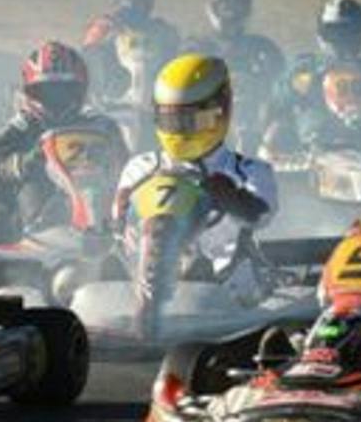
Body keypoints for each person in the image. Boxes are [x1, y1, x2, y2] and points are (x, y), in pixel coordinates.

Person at [115, 53, 277, 293]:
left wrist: (231, 198)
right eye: (173, 121)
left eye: (192, 121)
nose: (181, 130)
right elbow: (119, 222)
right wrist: (122, 209)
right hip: (144, 282)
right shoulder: (140, 168)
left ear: (220, 112)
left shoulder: (249, 171)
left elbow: (261, 216)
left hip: (226, 291)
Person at [0, 41, 127, 239]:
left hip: (96, 191)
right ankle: (38, 235)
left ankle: (114, 233)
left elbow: (126, 167)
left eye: (64, 90)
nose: (56, 97)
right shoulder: (19, 128)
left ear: (80, 89)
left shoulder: (101, 125)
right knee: (19, 196)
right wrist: (26, 162)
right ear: (30, 91)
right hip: (43, 192)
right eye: (47, 90)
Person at [264, 0, 361, 154]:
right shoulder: (306, 67)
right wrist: (307, 83)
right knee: (277, 128)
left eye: (348, 32)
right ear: (321, 34)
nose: (342, 40)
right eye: (335, 33)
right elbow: (278, 96)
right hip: (315, 146)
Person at [183, 0, 285, 149]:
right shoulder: (195, 48)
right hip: (207, 126)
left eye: (236, 7)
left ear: (247, 8)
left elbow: (283, 93)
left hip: (257, 126)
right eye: (224, 6)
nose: (230, 13)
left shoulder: (264, 48)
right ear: (212, 8)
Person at [81, 0, 181, 102]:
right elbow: (87, 60)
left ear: (148, 2)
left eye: (139, 0)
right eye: (128, 0)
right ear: (117, 1)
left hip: (155, 103)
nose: (133, 5)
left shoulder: (162, 30)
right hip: (113, 102)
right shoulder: (104, 27)